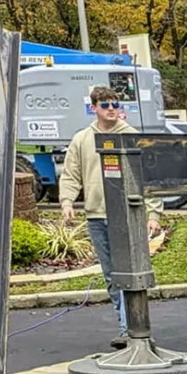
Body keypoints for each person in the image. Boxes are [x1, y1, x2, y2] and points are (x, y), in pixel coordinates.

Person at [59, 85, 161, 348]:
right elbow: (71, 174)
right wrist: (67, 201)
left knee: (131, 271)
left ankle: (133, 330)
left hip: (128, 215)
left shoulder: (131, 137)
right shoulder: (82, 139)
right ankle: (125, 326)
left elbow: (148, 178)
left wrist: (153, 213)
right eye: (106, 105)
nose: (113, 109)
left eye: (116, 104)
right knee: (112, 275)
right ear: (94, 108)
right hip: (97, 216)